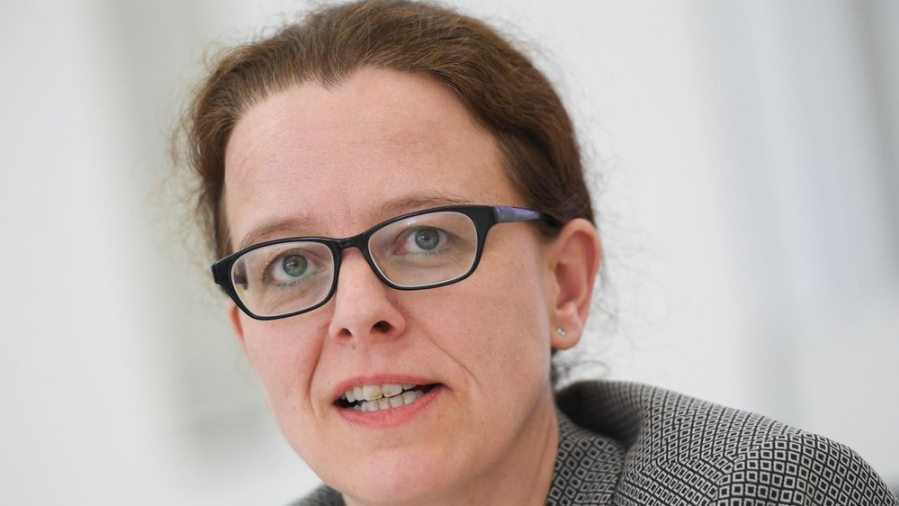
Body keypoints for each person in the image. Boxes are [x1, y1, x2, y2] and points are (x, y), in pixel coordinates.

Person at [177, 1, 898, 505]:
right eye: (290, 265)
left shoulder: (765, 492)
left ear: (564, 284)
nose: (359, 312)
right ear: (247, 337)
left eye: (425, 237)